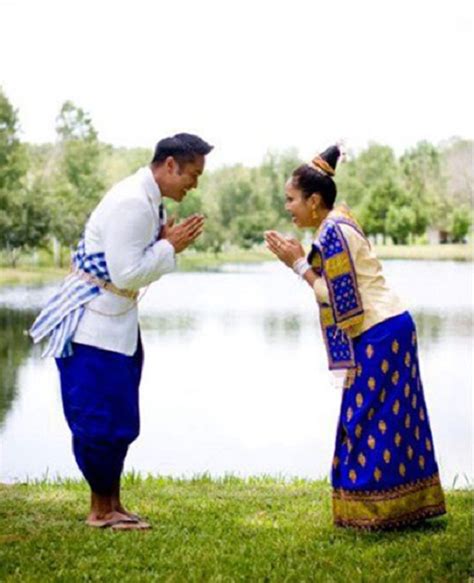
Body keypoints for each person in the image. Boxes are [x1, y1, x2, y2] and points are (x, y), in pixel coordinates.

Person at [30, 133, 213, 530]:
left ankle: (112, 503)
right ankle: (100, 510)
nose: (195, 184)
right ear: (169, 165)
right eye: (193, 174)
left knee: (120, 418)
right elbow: (126, 272)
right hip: (94, 327)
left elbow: (130, 267)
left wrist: (163, 244)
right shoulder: (133, 202)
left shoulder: (149, 199)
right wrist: (169, 249)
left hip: (116, 325)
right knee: (99, 418)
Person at [264, 144, 446, 530]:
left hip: (380, 331)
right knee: (387, 417)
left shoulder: (333, 232)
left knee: (365, 417)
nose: (287, 207)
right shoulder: (338, 221)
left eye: (291, 199)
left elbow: (343, 302)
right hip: (389, 326)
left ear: (314, 201)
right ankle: (395, 509)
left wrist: (297, 264)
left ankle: (376, 512)